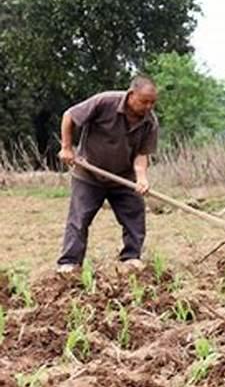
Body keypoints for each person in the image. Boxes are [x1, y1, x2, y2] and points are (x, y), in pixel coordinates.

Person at [56, 75, 159, 273]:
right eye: (144, 101)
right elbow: (69, 116)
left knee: (134, 217)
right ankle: (69, 263)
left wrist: (142, 178)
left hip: (123, 178)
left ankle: (131, 258)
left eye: (152, 102)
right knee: (79, 219)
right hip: (89, 173)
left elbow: (141, 154)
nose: (148, 107)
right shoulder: (105, 102)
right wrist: (67, 147)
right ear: (131, 95)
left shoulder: (150, 122)